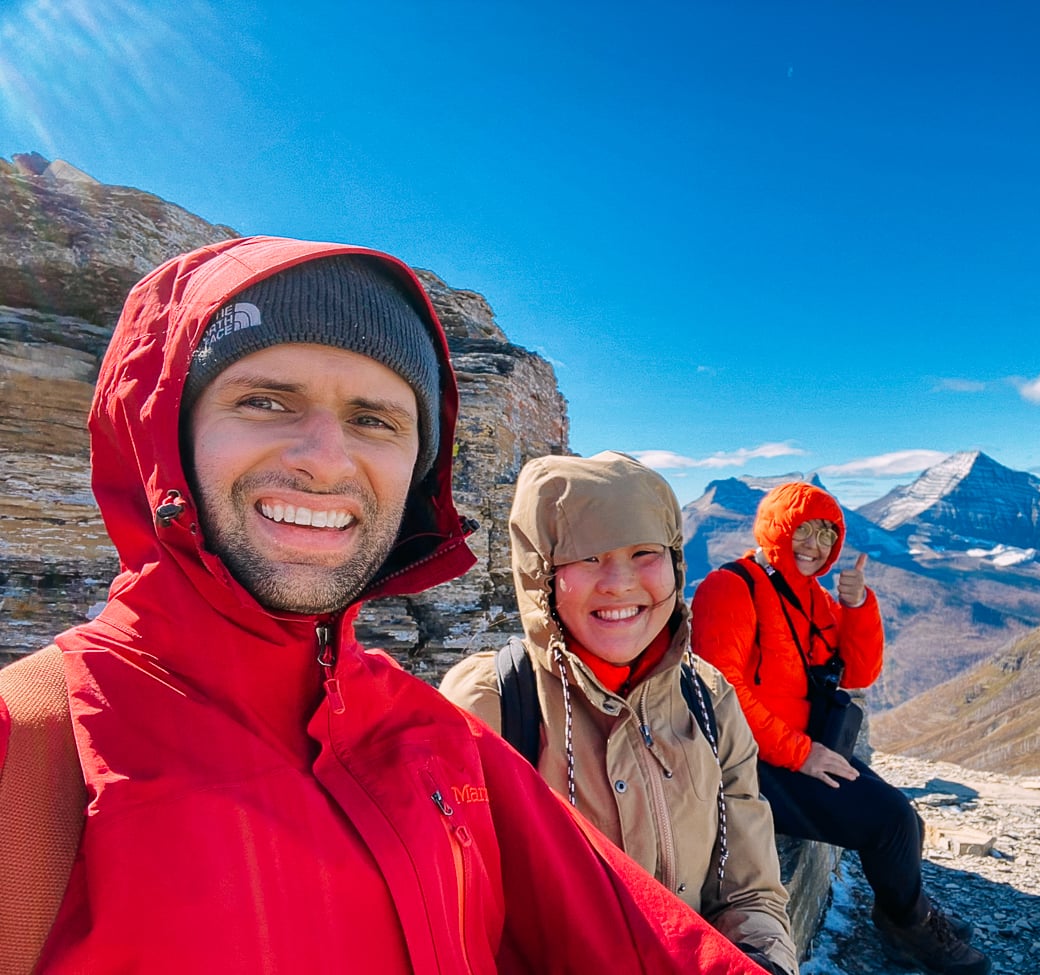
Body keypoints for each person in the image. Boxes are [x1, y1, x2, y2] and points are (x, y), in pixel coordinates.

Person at [0, 236, 768, 974]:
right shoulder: (31, 749)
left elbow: (640, 940)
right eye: (266, 399)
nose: (326, 457)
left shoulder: (434, 734)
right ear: (164, 431)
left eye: (375, 419)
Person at [440, 452, 800, 975]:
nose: (619, 582)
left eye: (644, 553)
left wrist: (765, 963)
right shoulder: (491, 705)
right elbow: (452, 924)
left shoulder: (709, 700)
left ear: (675, 563)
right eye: (587, 557)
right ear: (541, 572)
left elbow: (749, 890)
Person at [690, 481, 991, 975]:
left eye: (826, 535)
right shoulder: (731, 588)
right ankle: (907, 928)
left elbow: (858, 673)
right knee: (889, 821)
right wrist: (800, 754)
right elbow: (723, 694)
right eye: (802, 532)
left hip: (801, 748)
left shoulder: (810, 596)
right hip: (748, 764)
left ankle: (904, 908)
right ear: (776, 531)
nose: (814, 546)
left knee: (906, 820)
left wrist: (858, 608)